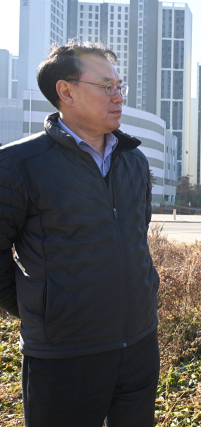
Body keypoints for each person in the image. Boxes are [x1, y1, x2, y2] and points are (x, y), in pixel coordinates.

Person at [0, 40, 160, 426]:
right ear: (66, 91)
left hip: (138, 345)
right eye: (106, 86)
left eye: (120, 86)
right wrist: (40, 306)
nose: (118, 96)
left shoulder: (134, 161)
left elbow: (137, 234)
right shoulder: (20, 164)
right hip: (64, 357)